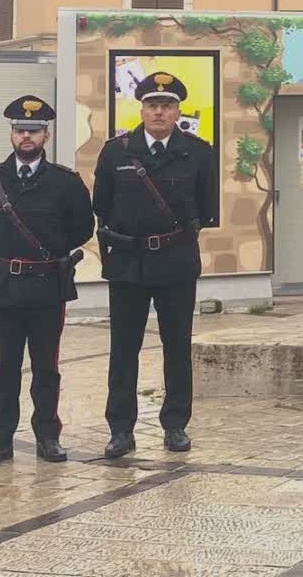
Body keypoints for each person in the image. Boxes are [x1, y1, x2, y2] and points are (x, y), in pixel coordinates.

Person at [0, 96, 93, 467]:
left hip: (47, 288)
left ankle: (48, 437)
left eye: (33, 131)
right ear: (11, 135)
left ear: (46, 136)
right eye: (20, 130)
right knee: (4, 368)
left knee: (46, 367)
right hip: (4, 287)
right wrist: (7, 255)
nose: (26, 137)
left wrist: (48, 255)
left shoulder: (65, 183)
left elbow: (83, 226)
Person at [93, 71, 219, 459]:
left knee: (177, 346)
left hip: (176, 262)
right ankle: (120, 429)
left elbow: (208, 207)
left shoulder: (199, 152)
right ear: (142, 109)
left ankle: (176, 424)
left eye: (166, 105)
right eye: (152, 104)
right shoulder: (116, 152)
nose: (159, 112)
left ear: (178, 109)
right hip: (129, 262)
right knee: (123, 348)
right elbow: (102, 204)